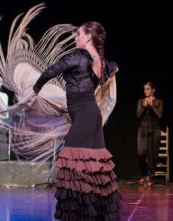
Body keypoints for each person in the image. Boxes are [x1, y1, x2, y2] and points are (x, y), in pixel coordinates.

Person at [32, 21, 121, 221]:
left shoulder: (77, 57)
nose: (75, 37)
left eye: (78, 34)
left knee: (73, 164)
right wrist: (114, 68)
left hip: (85, 117)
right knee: (94, 167)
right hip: (92, 116)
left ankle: (79, 216)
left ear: (88, 37)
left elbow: (50, 72)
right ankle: (96, 214)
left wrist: (34, 91)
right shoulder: (100, 60)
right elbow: (111, 67)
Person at [136, 82, 164, 186]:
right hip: (143, 128)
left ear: (153, 90)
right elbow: (138, 115)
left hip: (155, 128)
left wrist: (152, 105)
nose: (145, 91)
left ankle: (150, 176)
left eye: (148, 89)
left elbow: (160, 115)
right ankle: (143, 175)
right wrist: (144, 106)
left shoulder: (159, 102)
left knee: (153, 154)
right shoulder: (141, 101)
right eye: (144, 89)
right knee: (141, 152)